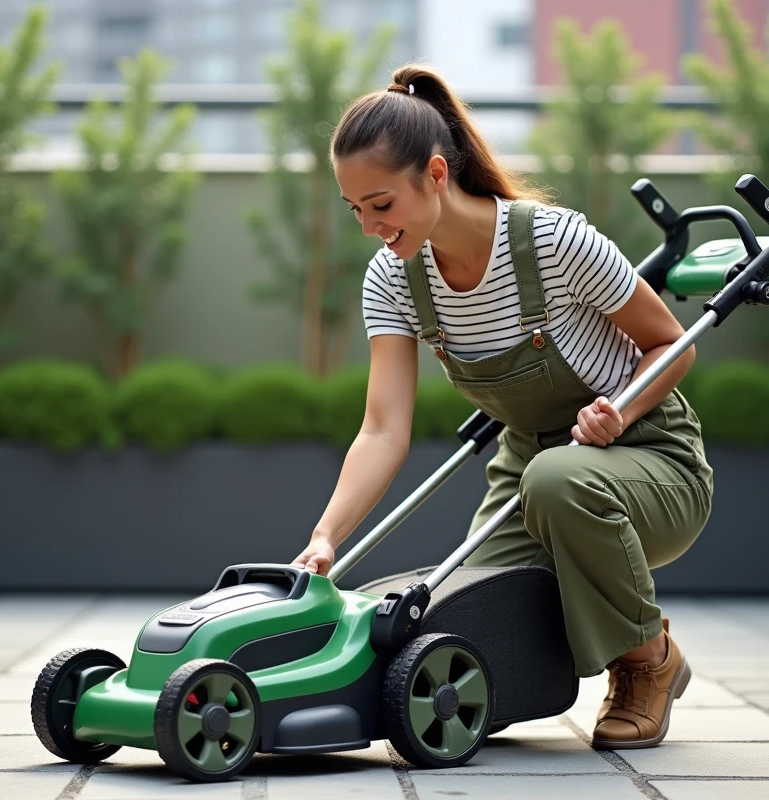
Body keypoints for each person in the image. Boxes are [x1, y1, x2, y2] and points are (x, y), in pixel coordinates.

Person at [290, 64, 714, 750]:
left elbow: (672, 344)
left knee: (557, 479)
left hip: (651, 460)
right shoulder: (394, 277)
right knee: (463, 605)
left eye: (381, 205)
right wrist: (325, 538)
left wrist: (623, 412)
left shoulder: (552, 241)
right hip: (536, 470)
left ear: (433, 173)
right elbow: (382, 427)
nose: (369, 227)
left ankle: (646, 663)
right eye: (355, 211)